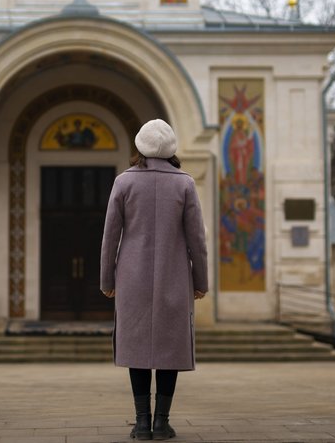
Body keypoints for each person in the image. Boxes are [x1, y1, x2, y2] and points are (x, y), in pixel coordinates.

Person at [100, 118, 209, 440]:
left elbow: (110, 237)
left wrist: (107, 280)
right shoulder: (185, 183)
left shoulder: (124, 182)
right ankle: (162, 422)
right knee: (169, 349)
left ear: (139, 147)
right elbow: (197, 240)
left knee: (137, 351)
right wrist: (200, 282)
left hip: (132, 278)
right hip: (174, 278)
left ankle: (141, 422)